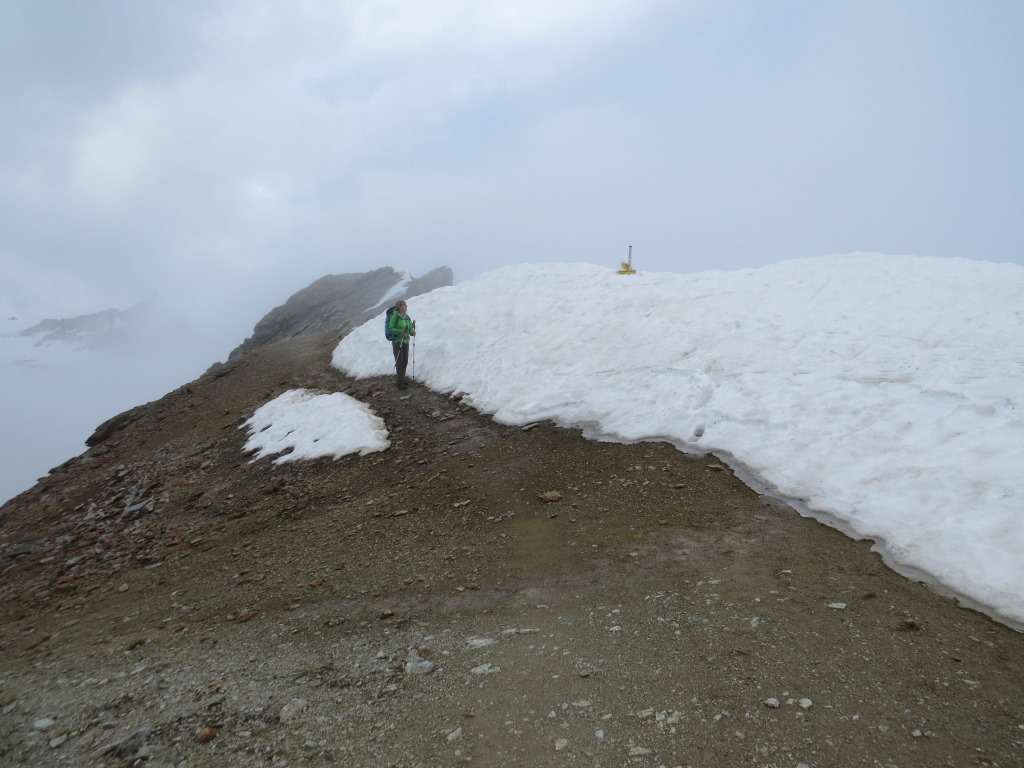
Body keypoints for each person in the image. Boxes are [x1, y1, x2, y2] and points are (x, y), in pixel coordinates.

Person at [388, 300, 416, 388]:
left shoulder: (407, 317)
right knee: (399, 361)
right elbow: (391, 328)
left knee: (405, 360)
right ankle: (399, 382)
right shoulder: (394, 317)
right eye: (404, 305)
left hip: (405, 341)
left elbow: (410, 327)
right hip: (397, 341)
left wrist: (412, 332)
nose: (406, 306)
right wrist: (400, 331)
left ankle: (402, 379)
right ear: (400, 307)